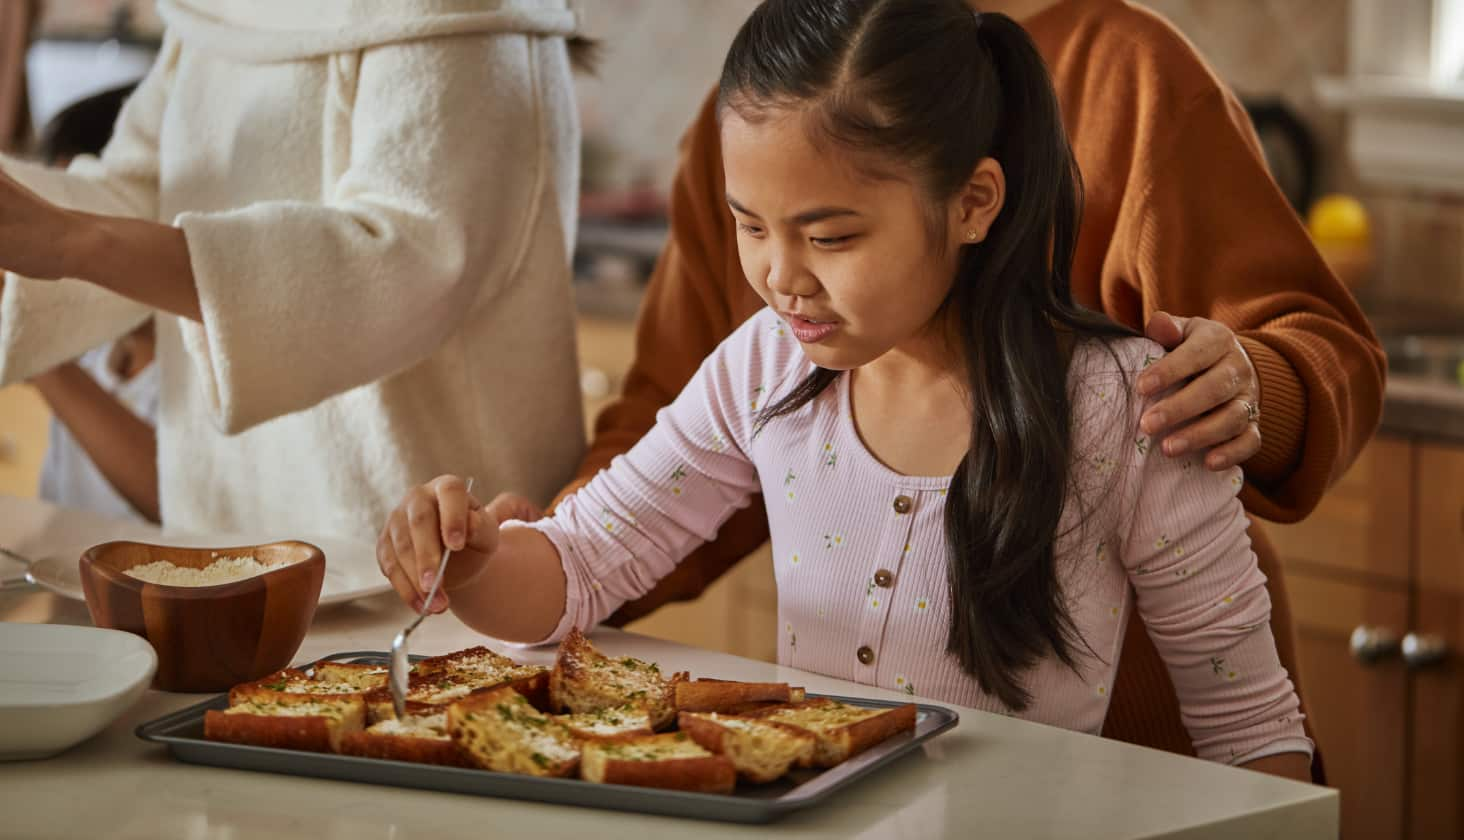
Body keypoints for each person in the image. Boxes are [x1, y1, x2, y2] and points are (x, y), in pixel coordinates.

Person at [377, 0, 1316, 781]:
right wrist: (476, 563)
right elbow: (580, 569)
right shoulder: (765, 366)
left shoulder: (1122, 406)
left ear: (973, 203)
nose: (782, 277)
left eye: (831, 238)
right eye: (751, 225)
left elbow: (1255, 735)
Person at [0, 2, 589, 541]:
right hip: (225, 533)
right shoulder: (221, 13)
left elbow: (402, 264)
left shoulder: (463, 15)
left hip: (425, 545)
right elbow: (135, 194)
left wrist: (70, 242)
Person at [18, 85, 161, 523]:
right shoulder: (93, 353)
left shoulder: (204, 369)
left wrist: (33, 349)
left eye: (76, 206)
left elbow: (173, 497)